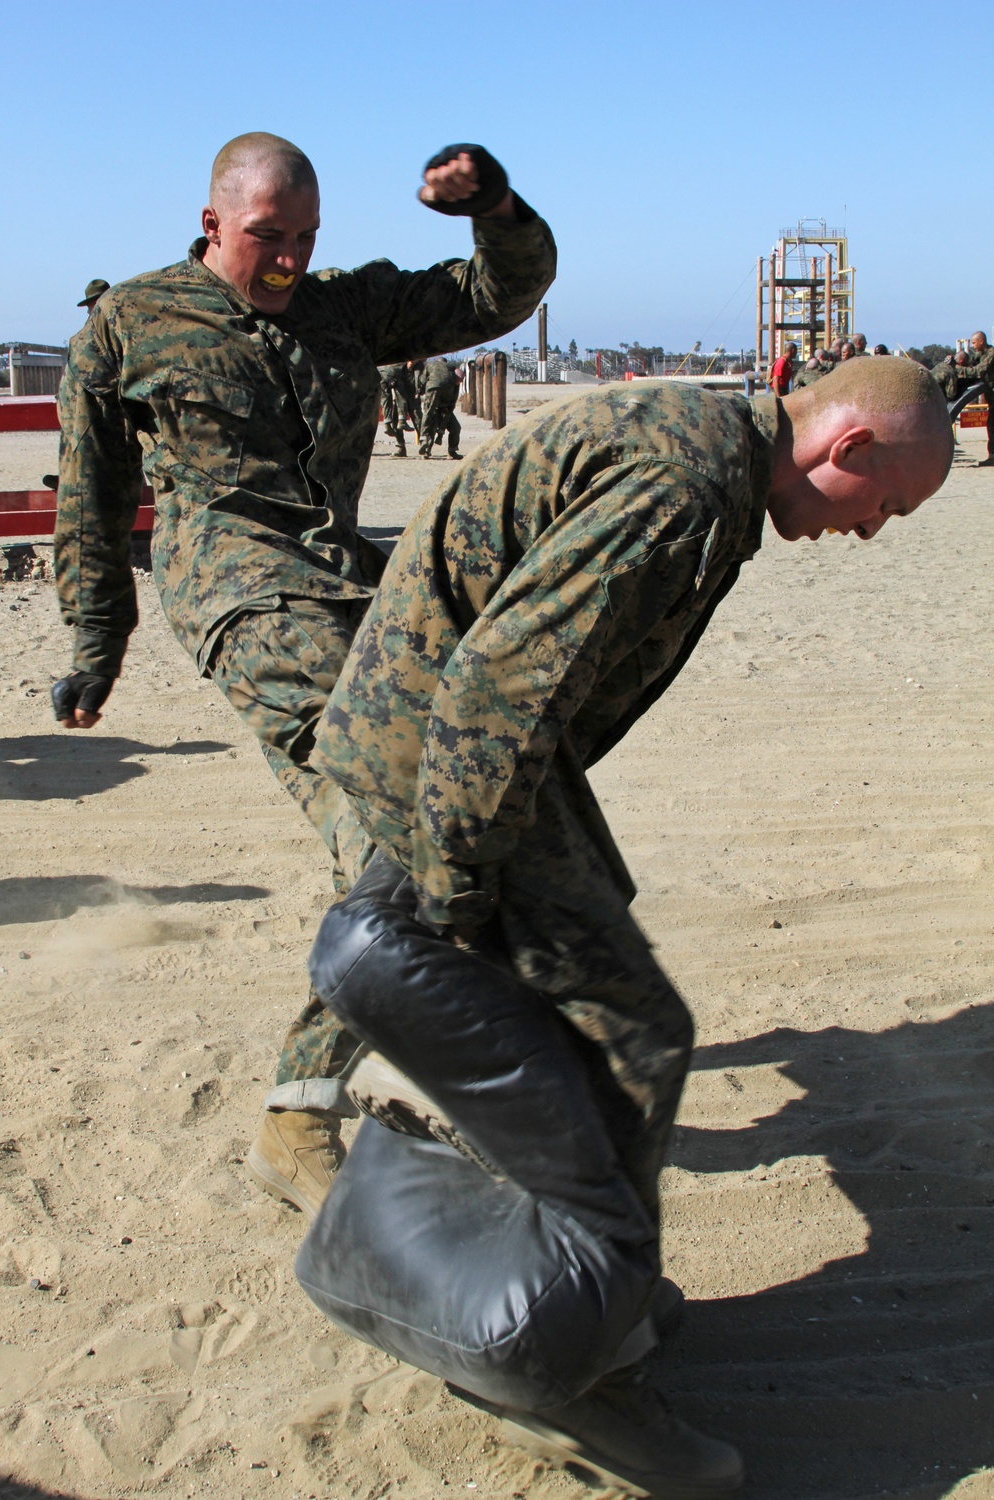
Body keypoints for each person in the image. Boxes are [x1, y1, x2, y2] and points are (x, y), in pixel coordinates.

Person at [298, 357, 953, 1497]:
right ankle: (585, 1385)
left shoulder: (703, 446)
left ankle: (572, 1296)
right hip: (448, 760)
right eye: (885, 505)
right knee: (629, 1038)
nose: (870, 535)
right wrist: (457, 900)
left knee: (596, 1005)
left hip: (449, 750)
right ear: (844, 450)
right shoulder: (685, 488)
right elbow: (497, 685)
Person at [51, 132, 556, 1216]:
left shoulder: (339, 309)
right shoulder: (130, 326)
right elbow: (88, 502)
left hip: (360, 591)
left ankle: (457, 1024)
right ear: (212, 225)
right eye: (265, 239)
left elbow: (493, 294)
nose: (284, 262)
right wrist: (98, 643)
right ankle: (299, 1110)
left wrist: (495, 204)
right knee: (393, 825)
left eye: (304, 240)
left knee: (482, 792)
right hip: (241, 594)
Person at [417, 354, 463, 458]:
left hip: (439, 401)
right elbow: (455, 394)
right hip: (446, 404)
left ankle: (426, 443)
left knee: (429, 418)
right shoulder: (451, 371)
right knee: (454, 427)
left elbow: (422, 381)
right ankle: (449, 451)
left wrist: (421, 391)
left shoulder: (431, 365)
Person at [963, 329, 994, 464]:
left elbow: (978, 370)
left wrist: (960, 370)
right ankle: (992, 457)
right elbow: (970, 363)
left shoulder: (991, 354)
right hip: (991, 397)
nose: (973, 346)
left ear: (981, 342)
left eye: (974, 343)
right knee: (991, 426)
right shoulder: (980, 354)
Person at [378, 362, 418, 457]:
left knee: (385, 401)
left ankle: (387, 423)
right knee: (402, 399)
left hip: (382, 374)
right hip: (398, 377)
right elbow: (410, 364)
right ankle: (402, 420)